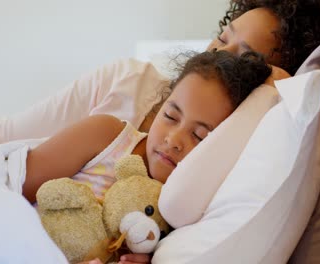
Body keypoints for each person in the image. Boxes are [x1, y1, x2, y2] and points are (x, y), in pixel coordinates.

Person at [21, 51, 271, 264]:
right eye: (171, 117)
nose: (173, 140)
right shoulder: (106, 137)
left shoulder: (184, 215)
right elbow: (11, 190)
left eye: (199, 136)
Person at [0, 0, 320, 145]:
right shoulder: (126, 80)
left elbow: (287, 89)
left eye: (245, 58)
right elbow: (6, 135)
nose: (217, 54)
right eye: (221, 38)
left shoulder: (227, 147)